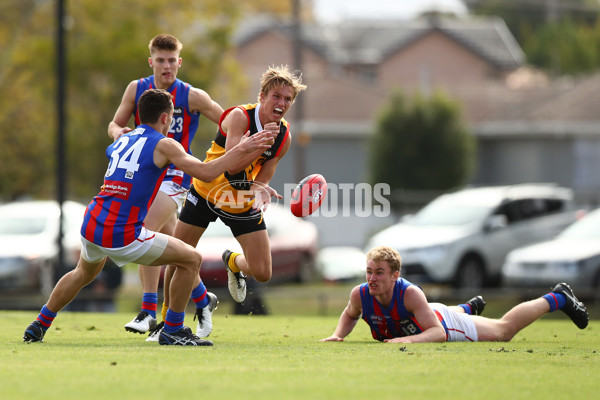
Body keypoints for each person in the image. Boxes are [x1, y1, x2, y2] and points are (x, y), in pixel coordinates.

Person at [23, 88, 275, 346]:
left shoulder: (123, 139)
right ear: (166, 118)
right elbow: (206, 172)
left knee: (82, 274)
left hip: (93, 223)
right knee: (192, 259)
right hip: (122, 233)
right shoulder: (164, 144)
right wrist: (241, 149)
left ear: (139, 115)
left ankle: (39, 324)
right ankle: (173, 329)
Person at [159, 65, 306, 324]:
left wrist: (259, 188)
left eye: (287, 99)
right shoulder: (240, 117)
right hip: (206, 192)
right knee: (179, 258)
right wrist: (260, 141)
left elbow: (267, 170)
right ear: (262, 96)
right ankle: (165, 323)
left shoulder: (283, 135)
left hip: (239, 200)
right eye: (276, 96)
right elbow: (232, 164)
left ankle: (234, 262)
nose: (282, 103)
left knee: (262, 272)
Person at [108, 34, 225, 339]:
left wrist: (230, 153)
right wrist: (122, 134)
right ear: (151, 62)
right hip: (146, 174)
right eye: (160, 60)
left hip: (175, 177)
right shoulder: (137, 88)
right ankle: (203, 299)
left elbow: (229, 122)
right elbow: (114, 124)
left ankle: (148, 309)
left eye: (172, 60)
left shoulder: (192, 96)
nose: (166, 66)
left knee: (143, 227)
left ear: (179, 62)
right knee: (176, 250)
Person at [321, 246, 589, 343]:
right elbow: (350, 314)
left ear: (395, 276)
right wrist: (338, 334)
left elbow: (438, 333)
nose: (371, 278)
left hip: (443, 322)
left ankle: (558, 297)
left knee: (503, 331)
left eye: (379, 272)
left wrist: (410, 342)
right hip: (431, 313)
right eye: (369, 271)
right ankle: (467, 308)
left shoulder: (410, 295)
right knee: (438, 311)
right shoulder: (360, 294)